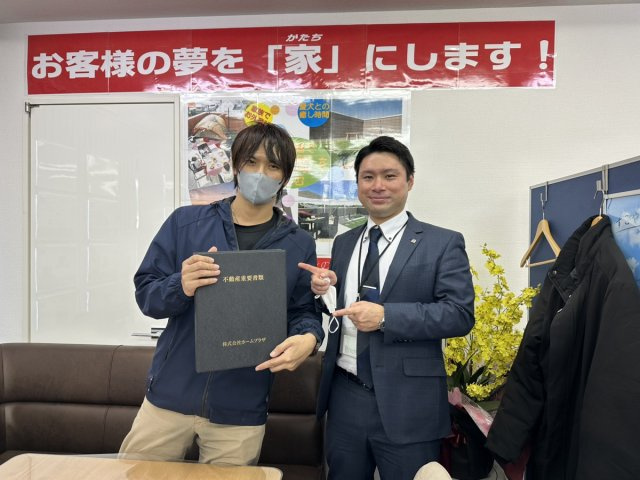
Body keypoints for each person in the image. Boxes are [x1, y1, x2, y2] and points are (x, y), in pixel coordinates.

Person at [120, 122, 323, 465]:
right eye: (252, 162)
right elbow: (147, 295)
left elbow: (303, 310)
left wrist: (309, 338)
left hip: (241, 407)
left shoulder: (299, 243)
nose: (260, 173)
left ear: (285, 177)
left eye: (273, 166)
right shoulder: (186, 223)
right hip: (169, 397)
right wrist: (181, 285)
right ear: (235, 165)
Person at [298, 136, 475, 480]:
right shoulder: (345, 242)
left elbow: (459, 314)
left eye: (390, 176)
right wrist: (325, 290)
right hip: (345, 396)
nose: (378, 185)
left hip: (409, 403)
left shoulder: (442, 242)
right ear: (358, 184)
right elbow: (343, 307)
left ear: (410, 181)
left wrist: (386, 317)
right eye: (368, 177)